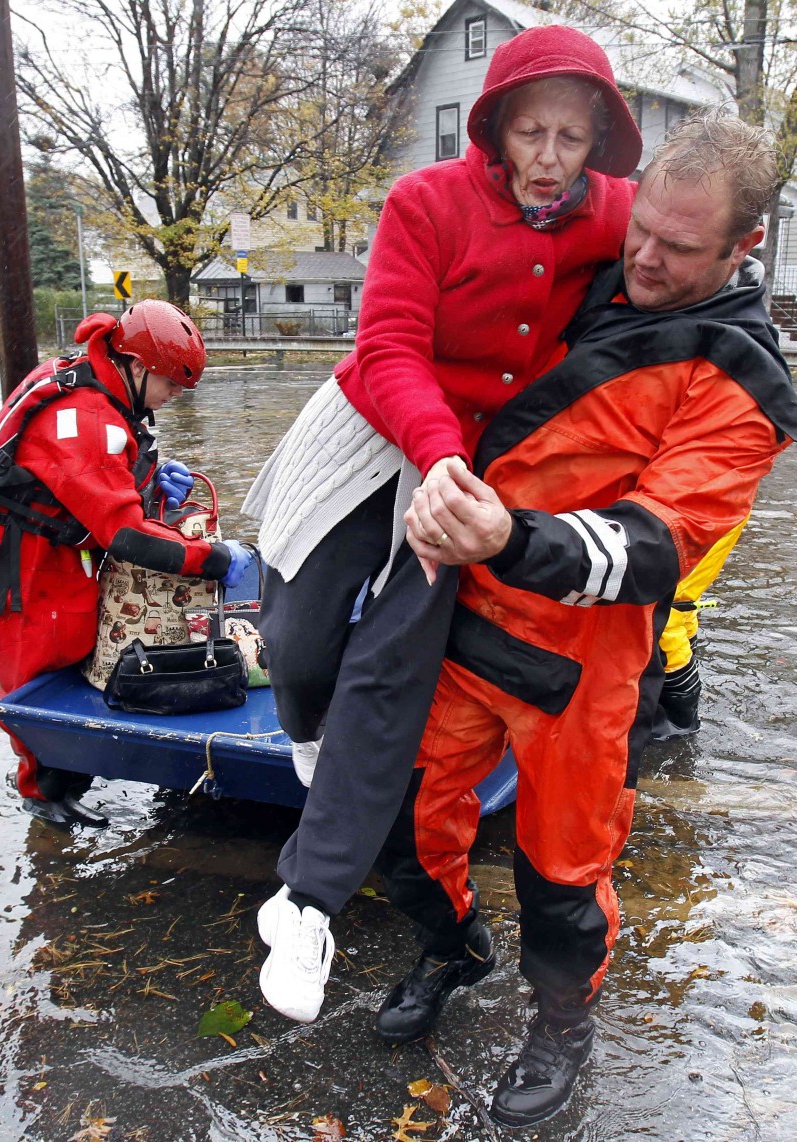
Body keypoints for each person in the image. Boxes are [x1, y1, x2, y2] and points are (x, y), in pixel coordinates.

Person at [371, 109, 797, 1128]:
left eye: (678, 248)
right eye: (639, 229)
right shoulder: (589, 263)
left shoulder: (741, 380)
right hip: (466, 618)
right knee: (398, 821)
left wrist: (505, 539)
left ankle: (561, 1022)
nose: (644, 258)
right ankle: (451, 945)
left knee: (563, 873)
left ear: (741, 248)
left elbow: (654, 544)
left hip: (580, 659)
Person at [243, 24, 643, 1024]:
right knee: (293, 644)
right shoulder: (426, 200)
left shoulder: (619, 215)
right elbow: (384, 347)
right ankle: (309, 745)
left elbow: (698, 233)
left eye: (568, 136)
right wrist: (436, 450)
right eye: (529, 132)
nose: (547, 159)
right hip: (379, 419)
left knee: (394, 660)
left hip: (477, 468)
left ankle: (310, 899)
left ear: (595, 134)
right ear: (496, 126)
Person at [0, 300, 251, 827]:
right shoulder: (85, 417)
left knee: (73, 649)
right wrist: (214, 558)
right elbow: (130, 537)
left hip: (47, 552)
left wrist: (152, 477)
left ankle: (64, 776)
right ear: (137, 367)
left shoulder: (92, 381)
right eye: (172, 384)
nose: (176, 397)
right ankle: (42, 795)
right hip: (11, 565)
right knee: (33, 675)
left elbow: (83, 480)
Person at [652, 516, 748, 739]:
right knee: (679, 604)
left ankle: (673, 727)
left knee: (662, 612)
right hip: (713, 506)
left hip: (698, 507)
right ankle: (678, 724)